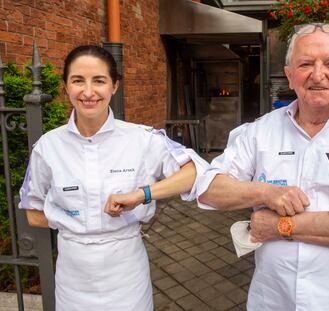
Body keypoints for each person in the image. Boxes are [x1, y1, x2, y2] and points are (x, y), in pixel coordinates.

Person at [198, 23, 329, 310]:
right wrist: (265, 193)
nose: (317, 74)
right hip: (273, 300)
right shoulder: (260, 131)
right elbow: (208, 190)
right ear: (289, 75)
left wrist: (279, 226)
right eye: (305, 63)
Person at [19, 45, 208, 311]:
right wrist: (76, 219)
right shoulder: (47, 147)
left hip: (126, 275)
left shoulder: (142, 139)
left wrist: (142, 194)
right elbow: (33, 211)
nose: (87, 92)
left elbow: (194, 173)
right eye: (77, 81)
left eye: (99, 81)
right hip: (72, 280)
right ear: (65, 87)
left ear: (114, 86)